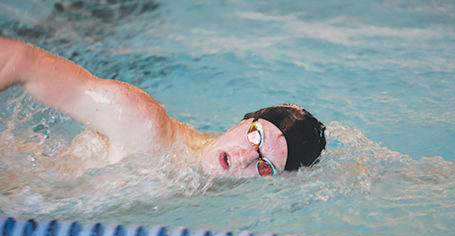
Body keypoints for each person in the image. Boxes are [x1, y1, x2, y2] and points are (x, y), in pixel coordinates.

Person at [0, 37, 326, 177]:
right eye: (255, 139)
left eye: (264, 165)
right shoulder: (143, 124)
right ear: (244, 121)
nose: (242, 158)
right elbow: (20, 60)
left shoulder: (203, 170)